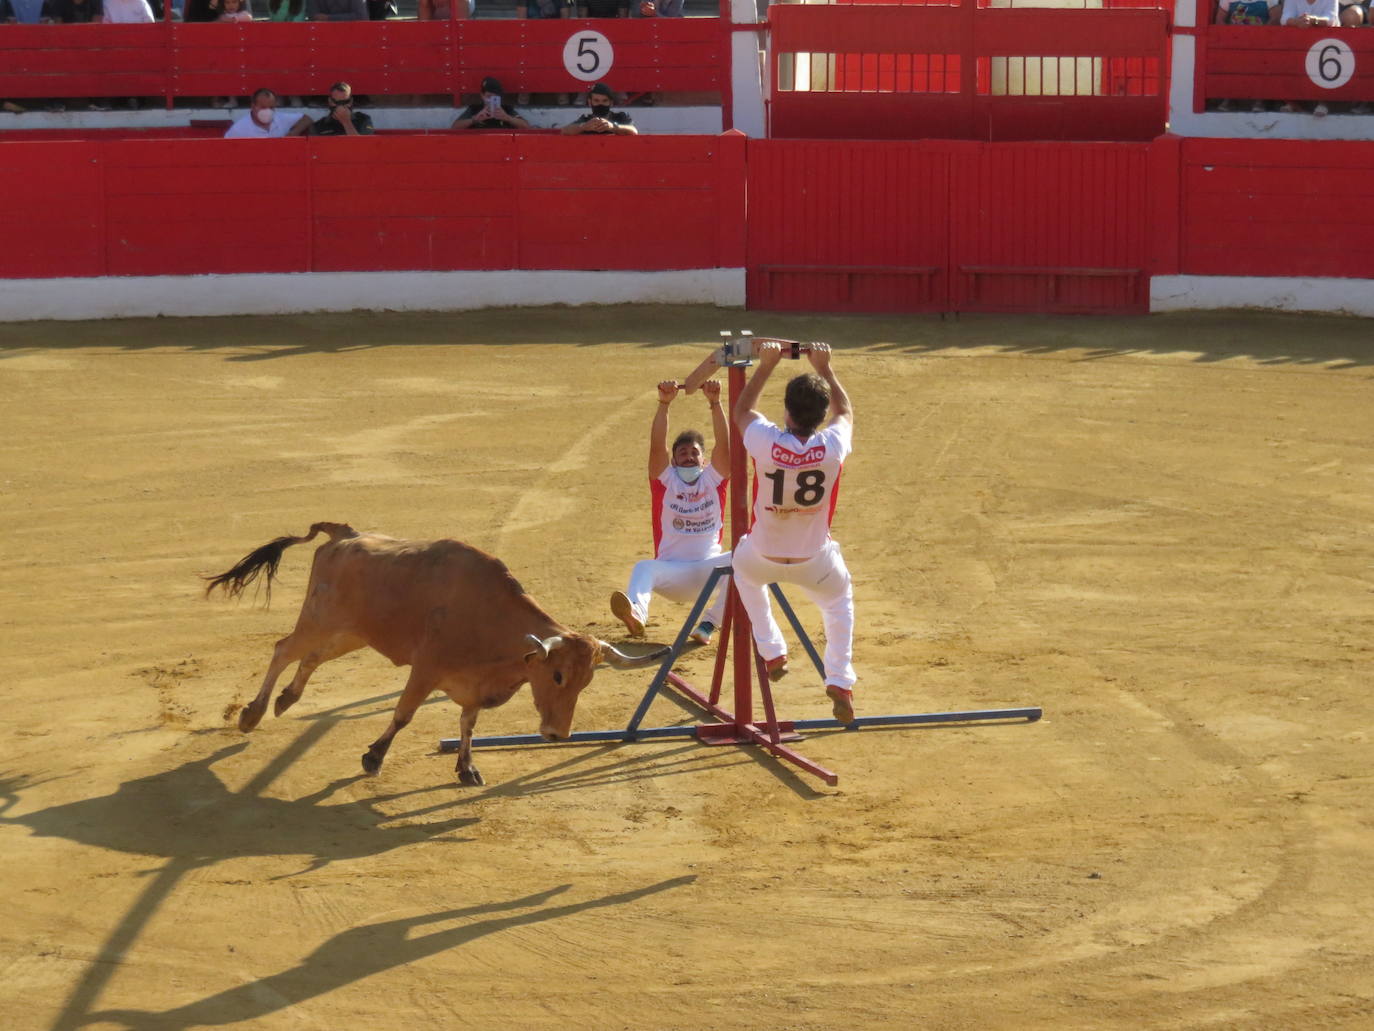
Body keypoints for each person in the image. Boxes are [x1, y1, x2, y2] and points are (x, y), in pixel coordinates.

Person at [730, 341, 857, 724]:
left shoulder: (767, 441)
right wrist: (826, 369)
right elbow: (845, 410)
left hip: (761, 557)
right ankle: (839, 679)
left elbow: (742, 410)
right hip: (813, 560)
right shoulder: (833, 445)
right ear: (820, 415)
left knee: (743, 574)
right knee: (838, 605)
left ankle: (772, 652)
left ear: (786, 411)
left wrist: (767, 364)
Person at [610, 378, 732, 647]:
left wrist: (716, 403)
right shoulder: (665, 482)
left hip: (709, 571)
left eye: (694, 452)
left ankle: (708, 624)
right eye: (682, 453)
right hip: (671, 574)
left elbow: (725, 447)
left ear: (704, 460)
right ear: (674, 461)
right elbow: (657, 448)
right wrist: (664, 405)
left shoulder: (714, 480)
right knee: (643, 567)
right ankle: (637, 614)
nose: (688, 456)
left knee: (746, 556)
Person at [224, 87, 312, 137]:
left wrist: (292, 134)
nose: (267, 111)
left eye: (271, 107)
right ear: (253, 106)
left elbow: (306, 119)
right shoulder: (239, 129)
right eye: (263, 107)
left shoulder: (280, 118)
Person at [451, 76, 531, 130]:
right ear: (482, 95)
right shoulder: (474, 109)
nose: (491, 100)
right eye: (489, 96)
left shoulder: (506, 109)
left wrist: (508, 118)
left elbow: (526, 127)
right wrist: (474, 120)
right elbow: (454, 128)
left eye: (495, 97)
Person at [561, 82, 638, 135]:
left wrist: (613, 127)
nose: (600, 104)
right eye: (596, 100)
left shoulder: (620, 117)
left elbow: (634, 131)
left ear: (611, 102)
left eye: (604, 101)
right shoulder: (586, 119)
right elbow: (565, 131)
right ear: (590, 102)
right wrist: (584, 127)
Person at [310, 81, 375, 136]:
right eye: (337, 102)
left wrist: (346, 122)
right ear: (330, 101)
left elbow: (362, 146)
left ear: (351, 101)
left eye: (345, 102)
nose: (340, 106)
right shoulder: (318, 126)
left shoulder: (363, 120)